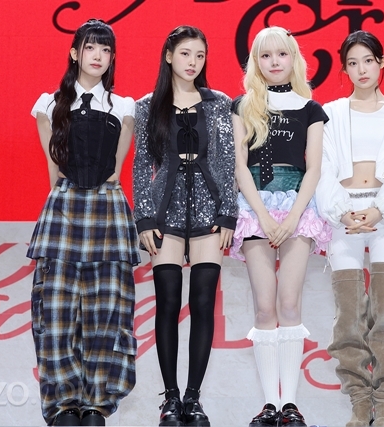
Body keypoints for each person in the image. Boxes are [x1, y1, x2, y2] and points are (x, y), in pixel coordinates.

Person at [27, 19, 139, 427]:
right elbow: (53, 170)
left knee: (108, 311)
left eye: (106, 50)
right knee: (55, 312)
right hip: (64, 208)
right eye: (90, 47)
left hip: (107, 209)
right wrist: (65, 200)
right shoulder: (48, 104)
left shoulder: (124, 107)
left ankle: (96, 404)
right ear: (75, 52)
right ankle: (63, 406)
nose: (98, 56)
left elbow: (116, 172)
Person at [316, 30, 384, 427]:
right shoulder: (330, 113)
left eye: (368, 60)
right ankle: (359, 402)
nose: (361, 69)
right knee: (347, 315)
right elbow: (320, 167)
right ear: (344, 69)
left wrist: (381, 210)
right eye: (352, 63)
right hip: (343, 217)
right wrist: (340, 211)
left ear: (382, 62)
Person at [133, 25, 236, 427]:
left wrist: (227, 214)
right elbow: (141, 166)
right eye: (185, 54)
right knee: (168, 303)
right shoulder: (147, 106)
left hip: (210, 213)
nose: (193, 62)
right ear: (168, 56)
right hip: (165, 213)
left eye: (200, 55)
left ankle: (194, 398)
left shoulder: (219, 103)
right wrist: (144, 218)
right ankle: (171, 399)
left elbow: (226, 162)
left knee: (204, 303)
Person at [231, 26, 331, 427]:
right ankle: (269, 405)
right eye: (266, 55)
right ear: (256, 62)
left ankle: (290, 404)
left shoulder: (311, 109)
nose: (275, 62)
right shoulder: (243, 106)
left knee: (290, 304)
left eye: (282, 54)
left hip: (298, 209)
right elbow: (240, 167)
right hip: (254, 207)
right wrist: (263, 216)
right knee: (264, 306)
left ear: (294, 58)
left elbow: (314, 168)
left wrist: (291, 219)